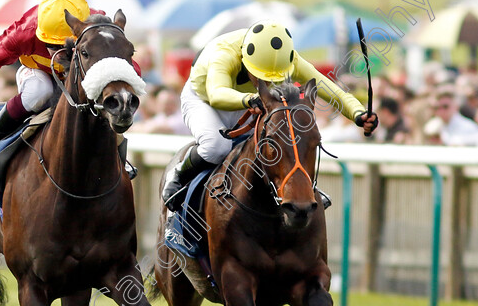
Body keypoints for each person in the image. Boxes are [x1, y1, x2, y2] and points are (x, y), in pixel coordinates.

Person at [162, 21, 378, 210]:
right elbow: (217, 94)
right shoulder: (223, 53)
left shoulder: (287, 57)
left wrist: (358, 113)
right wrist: (250, 100)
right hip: (205, 101)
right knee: (216, 147)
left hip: (250, 101)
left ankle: (302, 190)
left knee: (286, 138)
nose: (264, 82)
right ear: (245, 59)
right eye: (260, 76)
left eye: (272, 78)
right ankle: (179, 176)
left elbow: (330, 89)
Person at [0, 0, 124, 172]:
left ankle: (119, 160)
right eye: (51, 45)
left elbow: (127, 63)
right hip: (37, 72)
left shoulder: (98, 28)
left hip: (79, 77)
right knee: (40, 91)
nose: (58, 53)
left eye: (64, 47)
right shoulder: (26, 30)